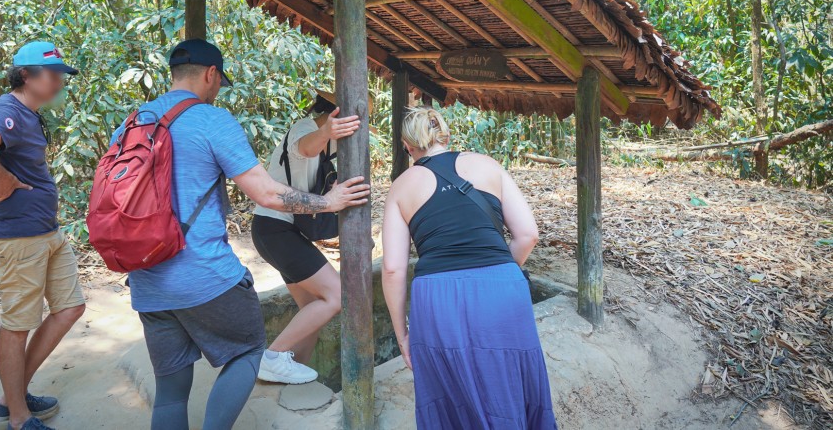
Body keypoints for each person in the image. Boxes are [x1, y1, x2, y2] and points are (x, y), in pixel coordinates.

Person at [108, 39, 370, 430]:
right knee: (250, 352)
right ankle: (274, 363)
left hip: (147, 279)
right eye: (218, 81)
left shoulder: (131, 123)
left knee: (171, 394)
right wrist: (330, 203)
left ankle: (288, 366)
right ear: (211, 74)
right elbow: (266, 189)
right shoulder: (211, 119)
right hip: (204, 275)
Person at [381, 107, 557, 430]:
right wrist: (498, 272)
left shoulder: (401, 186)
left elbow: (392, 269)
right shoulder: (488, 165)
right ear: (445, 135)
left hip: (438, 295)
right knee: (508, 386)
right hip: (502, 286)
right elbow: (528, 234)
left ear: (408, 146)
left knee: (450, 396)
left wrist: (402, 334)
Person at [0, 41, 86, 430]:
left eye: (62, 74)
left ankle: (11, 394)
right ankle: (18, 416)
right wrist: (4, 176)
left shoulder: (28, 114)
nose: (60, 81)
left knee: (70, 308)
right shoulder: (6, 111)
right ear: (26, 75)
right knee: (18, 325)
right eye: (53, 74)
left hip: (45, 232)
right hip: (19, 239)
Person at [251, 91, 360, 384]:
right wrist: (326, 131)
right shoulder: (307, 128)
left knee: (312, 307)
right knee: (337, 296)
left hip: (280, 232)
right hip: (275, 229)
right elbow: (306, 148)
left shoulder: (329, 143)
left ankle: (287, 374)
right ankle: (271, 358)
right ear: (335, 113)